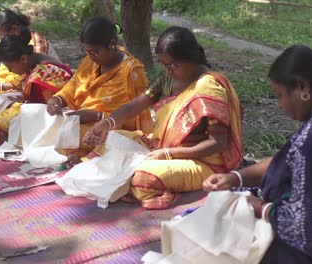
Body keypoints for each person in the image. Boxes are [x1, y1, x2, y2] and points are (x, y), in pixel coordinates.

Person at [203, 45, 312, 264]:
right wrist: (236, 178)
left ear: (302, 87)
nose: (280, 105)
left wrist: (262, 208)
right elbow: (287, 162)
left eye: (280, 95)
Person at [83, 26, 244, 210]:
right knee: (108, 140)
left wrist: (168, 154)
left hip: (202, 162)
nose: (168, 70)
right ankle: (121, 179)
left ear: (191, 59)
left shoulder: (209, 87)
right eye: (164, 65)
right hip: (162, 147)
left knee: (143, 178)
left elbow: (217, 144)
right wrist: (107, 123)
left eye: (173, 65)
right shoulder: (168, 79)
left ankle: (154, 189)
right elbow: (136, 105)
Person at [46, 17, 153, 164]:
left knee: (99, 138)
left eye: (94, 51)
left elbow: (132, 117)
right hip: (79, 118)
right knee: (42, 117)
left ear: (112, 44)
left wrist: (98, 116)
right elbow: (71, 89)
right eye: (85, 50)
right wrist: (56, 100)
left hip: (113, 128)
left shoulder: (131, 72)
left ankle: (82, 155)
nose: (90, 56)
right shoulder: (90, 61)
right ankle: (80, 154)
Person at [0, 29, 72, 144]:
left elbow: (50, 107)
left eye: (11, 67)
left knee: (5, 118)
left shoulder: (42, 72)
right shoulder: (35, 60)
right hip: (46, 107)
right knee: (1, 105)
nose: (10, 71)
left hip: (60, 114)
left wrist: (22, 103)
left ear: (23, 59)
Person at [0, 9, 60, 108]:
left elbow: (33, 75)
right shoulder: (17, 41)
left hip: (42, 84)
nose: (2, 39)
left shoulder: (36, 42)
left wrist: (1, 86)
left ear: (14, 28)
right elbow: (13, 63)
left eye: (3, 35)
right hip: (23, 78)